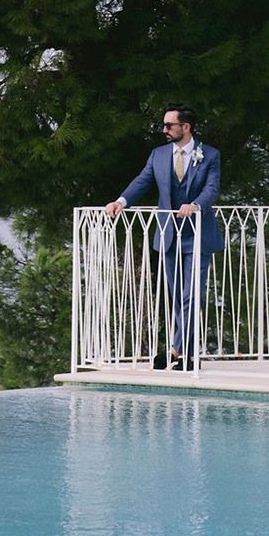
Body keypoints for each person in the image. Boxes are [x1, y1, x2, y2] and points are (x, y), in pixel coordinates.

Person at [104, 107, 224, 369]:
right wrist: (121, 201)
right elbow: (142, 181)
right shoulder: (158, 155)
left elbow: (212, 188)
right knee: (178, 295)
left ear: (186, 127)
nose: (165, 130)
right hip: (169, 234)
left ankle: (182, 353)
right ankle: (181, 353)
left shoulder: (210, 155)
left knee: (192, 295)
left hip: (198, 234)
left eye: (169, 125)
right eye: (164, 125)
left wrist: (195, 205)